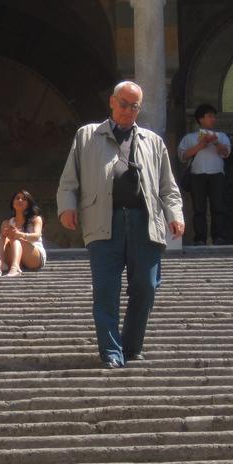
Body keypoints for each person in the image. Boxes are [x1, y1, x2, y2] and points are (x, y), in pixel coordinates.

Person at [56, 80, 184, 369]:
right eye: (123, 104)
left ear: (140, 108)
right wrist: (66, 207)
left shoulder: (153, 142)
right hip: (104, 221)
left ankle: (131, 345)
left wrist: (175, 215)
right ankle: (111, 352)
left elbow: (168, 188)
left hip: (145, 221)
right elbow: (68, 181)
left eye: (134, 106)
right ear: (112, 102)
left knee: (146, 287)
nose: (128, 110)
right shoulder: (87, 135)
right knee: (106, 289)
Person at [177, 103, 231, 245]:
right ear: (200, 119)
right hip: (197, 174)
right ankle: (200, 238)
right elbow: (183, 156)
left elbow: (226, 153)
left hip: (217, 174)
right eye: (209, 116)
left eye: (214, 116)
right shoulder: (190, 138)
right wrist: (200, 146)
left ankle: (218, 237)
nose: (213, 119)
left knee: (217, 207)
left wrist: (215, 142)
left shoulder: (222, 136)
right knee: (199, 209)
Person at [0, 190, 45, 277]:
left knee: (14, 237)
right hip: (15, 256)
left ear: (28, 204)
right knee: (3, 238)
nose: (20, 200)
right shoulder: (7, 222)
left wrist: (19, 234)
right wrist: (6, 235)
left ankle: (15, 268)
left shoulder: (35, 219)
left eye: (24, 199)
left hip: (34, 256)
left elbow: (37, 236)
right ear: (13, 202)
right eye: (17, 198)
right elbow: (3, 243)